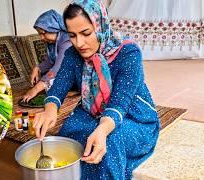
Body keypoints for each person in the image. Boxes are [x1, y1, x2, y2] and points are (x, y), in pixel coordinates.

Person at [33, 1, 160, 179]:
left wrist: (102, 130)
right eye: (72, 35)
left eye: (86, 33)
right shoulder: (72, 54)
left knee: (109, 142)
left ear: (100, 25)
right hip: (92, 112)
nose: (79, 43)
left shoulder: (128, 53)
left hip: (131, 117)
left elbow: (120, 102)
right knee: (70, 134)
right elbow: (59, 86)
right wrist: (50, 110)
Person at [22, 9, 72, 103]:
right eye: (39, 34)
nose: (41, 37)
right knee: (47, 79)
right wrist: (37, 68)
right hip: (65, 74)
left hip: (78, 77)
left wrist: (35, 89)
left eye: (43, 33)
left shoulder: (67, 41)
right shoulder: (53, 43)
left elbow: (57, 68)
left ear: (54, 28)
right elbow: (49, 61)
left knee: (51, 81)